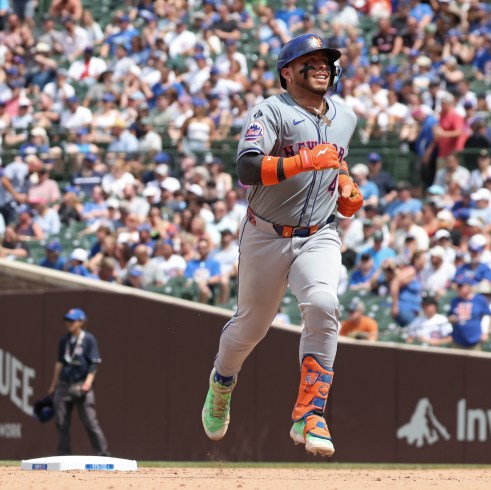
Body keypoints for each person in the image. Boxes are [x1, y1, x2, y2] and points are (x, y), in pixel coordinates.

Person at [201, 34, 360, 458]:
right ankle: (222, 381)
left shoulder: (346, 116)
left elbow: (336, 156)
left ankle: (310, 414)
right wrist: (300, 162)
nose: (322, 65)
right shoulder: (270, 111)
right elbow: (247, 168)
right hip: (266, 234)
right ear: (287, 71)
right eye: (309, 61)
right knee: (251, 327)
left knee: (325, 304)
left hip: (319, 232)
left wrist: (343, 180)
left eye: (326, 59)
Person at [47, 308, 109, 456]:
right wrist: (53, 385)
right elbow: (59, 363)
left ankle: (103, 454)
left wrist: (87, 384)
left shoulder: (88, 339)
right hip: (64, 384)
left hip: (81, 384)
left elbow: (94, 364)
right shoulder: (64, 340)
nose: (69, 324)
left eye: (72, 321)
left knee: (90, 421)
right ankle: (63, 454)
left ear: (81, 322)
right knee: (61, 422)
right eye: (67, 320)